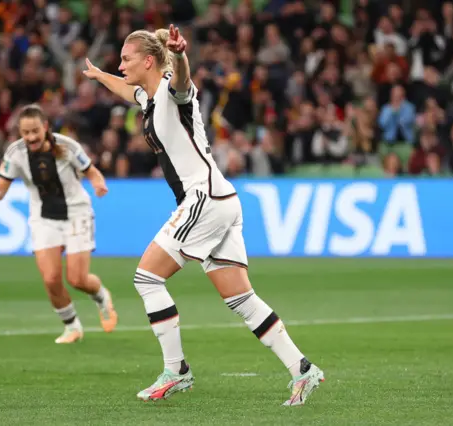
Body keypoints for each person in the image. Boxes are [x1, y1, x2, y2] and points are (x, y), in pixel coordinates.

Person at [84, 25, 324, 406]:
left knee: (147, 277)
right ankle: (303, 369)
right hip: (221, 198)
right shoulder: (148, 96)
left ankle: (175, 370)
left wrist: (179, 54)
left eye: (126, 59)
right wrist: (100, 77)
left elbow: (182, 79)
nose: (120, 64)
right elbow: (128, 90)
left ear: (149, 60)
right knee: (242, 300)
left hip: (204, 198)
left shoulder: (171, 90)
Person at [0, 104, 118, 344]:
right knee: (50, 279)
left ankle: (100, 296)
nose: (31, 137)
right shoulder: (15, 153)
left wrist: (99, 184)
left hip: (76, 212)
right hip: (43, 216)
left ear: (45, 127)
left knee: (77, 279)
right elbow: (1, 187)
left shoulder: (67, 147)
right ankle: (72, 326)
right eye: (25, 133)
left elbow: (92, 172)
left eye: (35, 131)